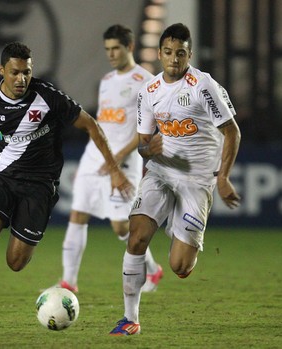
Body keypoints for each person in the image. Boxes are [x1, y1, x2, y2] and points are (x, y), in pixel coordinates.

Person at [0, 41, 135, 336]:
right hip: (0, 177)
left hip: (39, 186)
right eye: (15, 73)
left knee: (16, 262)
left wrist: (114, 170)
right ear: (2, 71)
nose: (21, 79)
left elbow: (92, 126)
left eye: (27, 72)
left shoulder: (49, 97)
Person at [109, 23, 241, 336]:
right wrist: (147, 148)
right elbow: (143, 144)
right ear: (159, 54)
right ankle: (129, 319)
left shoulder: (202, 86)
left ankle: (179, 228)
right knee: (136, 235)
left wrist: (223, 177)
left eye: (180, 53)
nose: (173, 59)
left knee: (181, 267)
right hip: (161, 172)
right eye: (168, 52)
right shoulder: (149, 92)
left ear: (189, 54)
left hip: (197, 180)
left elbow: (232, 131)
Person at [57, 25, 162, 294]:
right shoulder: (106, 80)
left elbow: (148, 131)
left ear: (130, 47)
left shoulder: (147, 82)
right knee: (78, 213)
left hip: (124, 159)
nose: (111, 54)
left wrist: (119, 156)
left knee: (120, 226)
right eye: (107, 49)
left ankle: (153, 268)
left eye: (116, 48)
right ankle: (68, 281)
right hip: (95, 156)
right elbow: (104, 121)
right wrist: (104, 152)